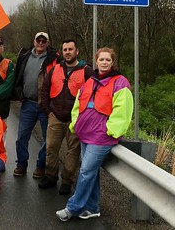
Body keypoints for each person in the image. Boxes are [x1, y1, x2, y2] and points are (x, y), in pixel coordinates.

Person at [56, 47, 134, 221]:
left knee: (85, 171)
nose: (104, 62)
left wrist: (110, 131)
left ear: (113, 62)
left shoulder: (121, 83)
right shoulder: (90, 81)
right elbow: (78, 104)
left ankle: (73, 208)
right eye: (101, 59)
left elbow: (124, 112)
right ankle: (92, 207)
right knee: (91, 172)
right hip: (85, 134)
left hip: (101, 138)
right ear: (96, 61)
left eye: (108, 60)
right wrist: (76, 124)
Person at [39, 39, 93, 195]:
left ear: (77, 51)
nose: (67, 52)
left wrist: (85, 116)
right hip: (54, 116)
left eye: (70, 49)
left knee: (73, 151)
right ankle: (50, 176)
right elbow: (45, 89)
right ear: (62, 52)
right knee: (50, 148)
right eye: (65, 50)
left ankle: (67, 181)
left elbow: (93, 94)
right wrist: (47, 109)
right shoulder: (55, 69)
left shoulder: (86, 70)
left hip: (75, 119)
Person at [13, 32, 61, 178]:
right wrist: (17, 93)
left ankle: (41, 166)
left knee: (48, 139)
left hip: (46, 106)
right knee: (21, 137)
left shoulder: (55, 59)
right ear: (34, 42)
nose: (40, 43)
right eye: (38, 40)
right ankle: (21, 164)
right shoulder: (25, 56)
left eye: (43, 41)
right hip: (28, 103)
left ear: (47, 43)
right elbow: (17, 76)